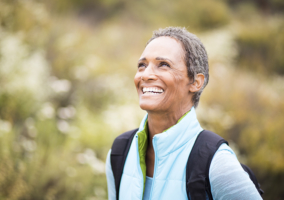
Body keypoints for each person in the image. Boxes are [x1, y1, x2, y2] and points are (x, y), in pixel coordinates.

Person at [106, 27, 262, 200]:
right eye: (142, 65)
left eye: (163, 65)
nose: (146, 74)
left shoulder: (218, 164)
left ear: (195, 82)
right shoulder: (119, 153)